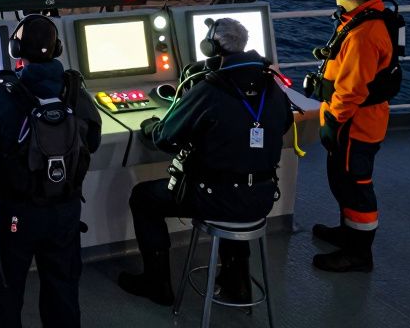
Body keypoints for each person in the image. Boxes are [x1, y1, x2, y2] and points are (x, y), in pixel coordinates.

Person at [118, 17, 292, 307]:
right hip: (261, 198)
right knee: (235, 194)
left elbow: (165, 138)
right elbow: (284, 124)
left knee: (144, 198)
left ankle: (157, 284)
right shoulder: (272, 86)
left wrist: (150, 126)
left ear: (210, 48)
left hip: (213, 198)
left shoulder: (210, 89)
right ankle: (238, 283)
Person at [0, 14, 101, 328]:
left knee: (6, 291)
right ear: (58, 49)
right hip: (66, 211)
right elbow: (92, 141)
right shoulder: (75, 94)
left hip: (17, 215)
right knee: (63, 289)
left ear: (15, 49)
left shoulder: (1, 97)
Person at [311, 0, 394, 273]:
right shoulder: (365, 20)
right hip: (358, 122)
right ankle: (347, 233)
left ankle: (359, 254)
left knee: (355, 186)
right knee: (342, 181)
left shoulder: (364, 35)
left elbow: (351, 90)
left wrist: (333, 121)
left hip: (354, 125)